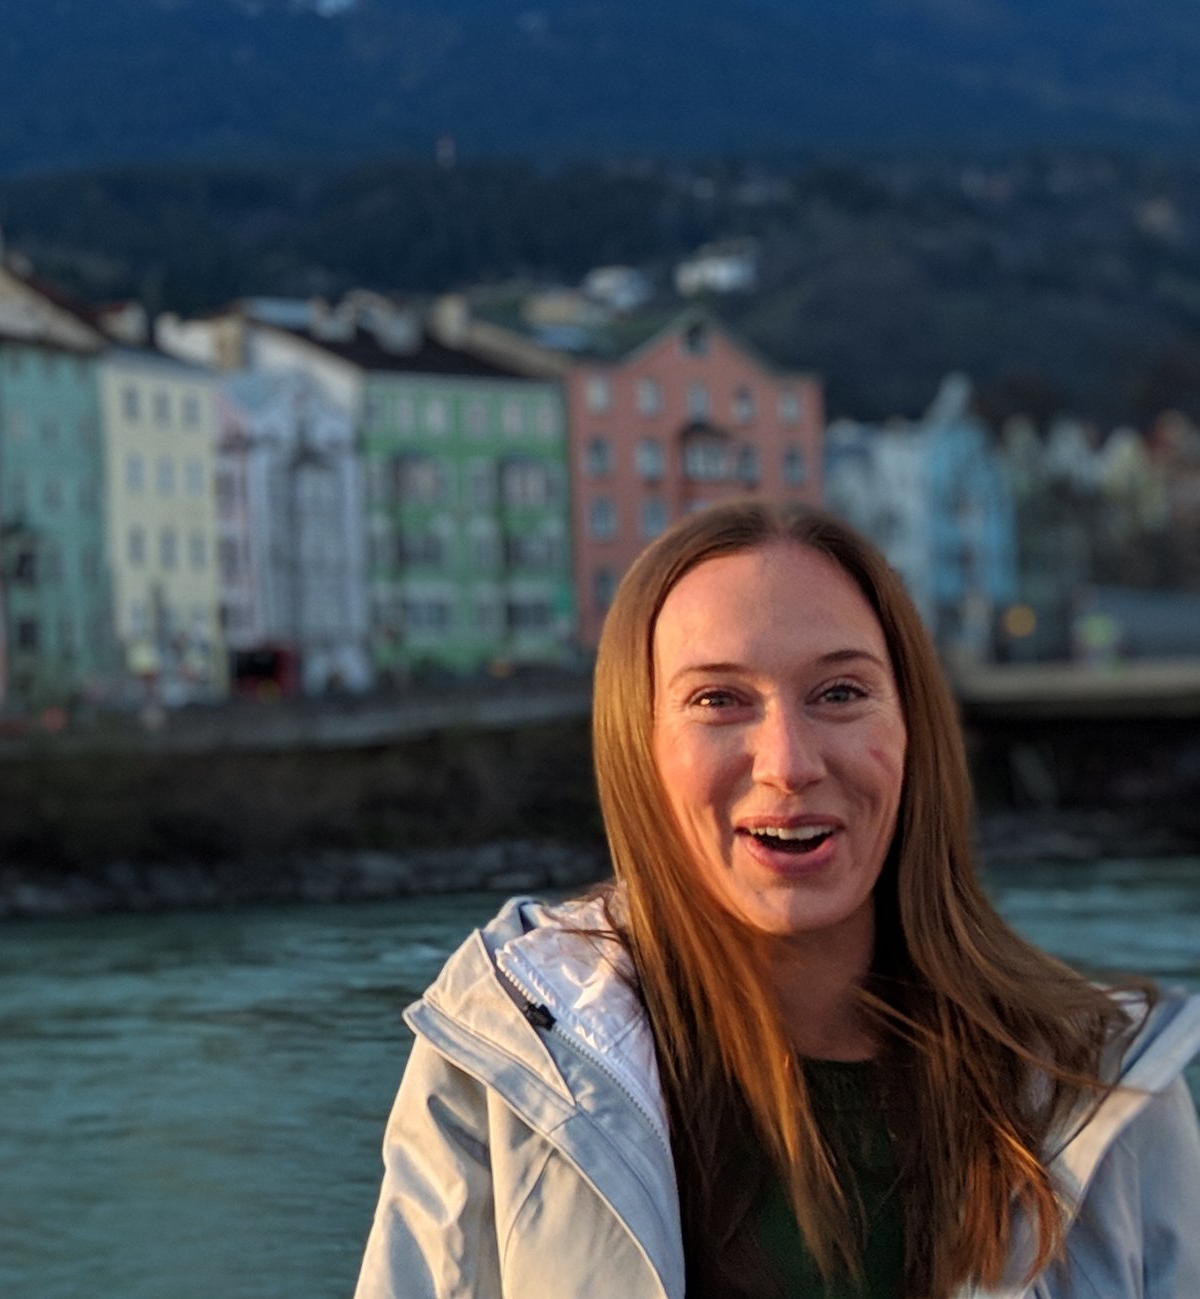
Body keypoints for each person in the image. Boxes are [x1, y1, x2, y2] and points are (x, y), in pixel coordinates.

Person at [355, 500, 1200, 1299]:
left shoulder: (1103, 1086)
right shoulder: (505, 1055)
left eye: (839, 693)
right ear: (638, 746)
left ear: (912, 729)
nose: (788, 763)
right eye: (718, 699)